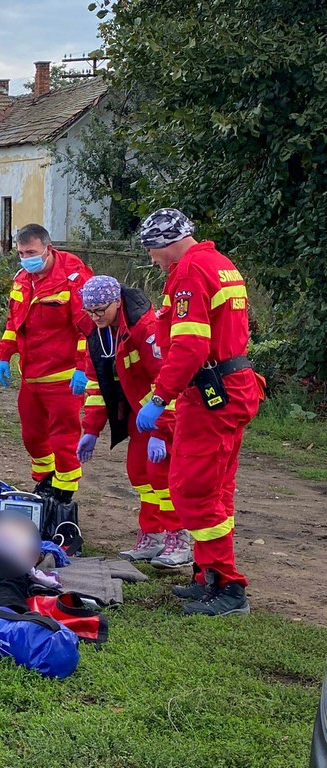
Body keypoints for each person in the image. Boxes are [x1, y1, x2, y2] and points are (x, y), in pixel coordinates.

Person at [135, 208, 263, 616]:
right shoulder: (219, 263)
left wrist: (159, 398)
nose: (152, 260)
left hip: (211, 394)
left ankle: (228, 585)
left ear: (166, 243)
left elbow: (190, 346)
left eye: (152, 251)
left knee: (192, 488)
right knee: (216, 488)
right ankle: (208, 574)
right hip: (230, 387)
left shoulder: (190, 271)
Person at [76, 275, 191, 567]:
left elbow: (165, 379)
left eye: (100, 310)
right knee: (139, 474)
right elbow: (97, 384)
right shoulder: (97, 333)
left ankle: (179, 538)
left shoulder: (146, 328)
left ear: (117, 302)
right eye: (89, 311)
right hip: (137, 415)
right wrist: (91, 429)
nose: (95, 316)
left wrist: (161, 431)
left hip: (162, 414)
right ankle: (152, 535)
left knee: (162, 477)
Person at [0, 224, 94, 502]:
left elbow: (88, 328)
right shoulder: (22, 279)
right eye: (21, 253)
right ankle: (46, 480)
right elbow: (14, 322)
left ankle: (64, 491)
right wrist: (4, 354)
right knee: (32, 436)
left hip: (63, 377)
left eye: (31, 252)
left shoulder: (74, 278)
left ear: (48, 249)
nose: (26, 258)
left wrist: (82, 368)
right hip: (31, 375)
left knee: (64, 438)